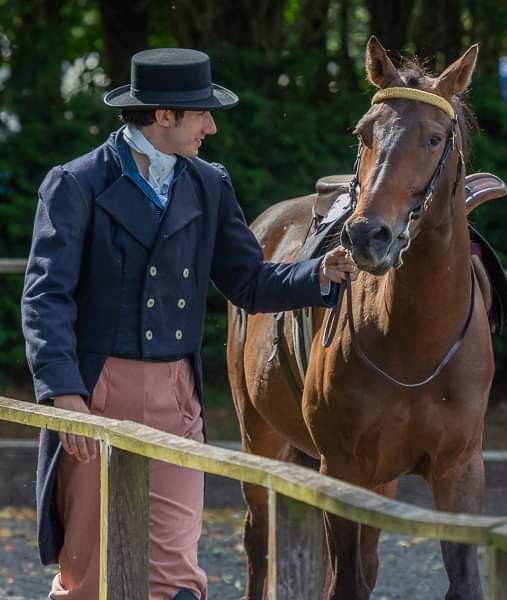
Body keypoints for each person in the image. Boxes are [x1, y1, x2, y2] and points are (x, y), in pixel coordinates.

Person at [20, 48, 356, 600]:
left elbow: (246, 282)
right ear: (164, 115)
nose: (212, 125)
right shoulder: (75, 183)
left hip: (177, 390)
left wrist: (315, 273)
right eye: (202, 113)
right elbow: (45, 296)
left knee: (177, 573)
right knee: (89, 572)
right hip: (95, 387)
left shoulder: (208, 183)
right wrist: (62, 392)